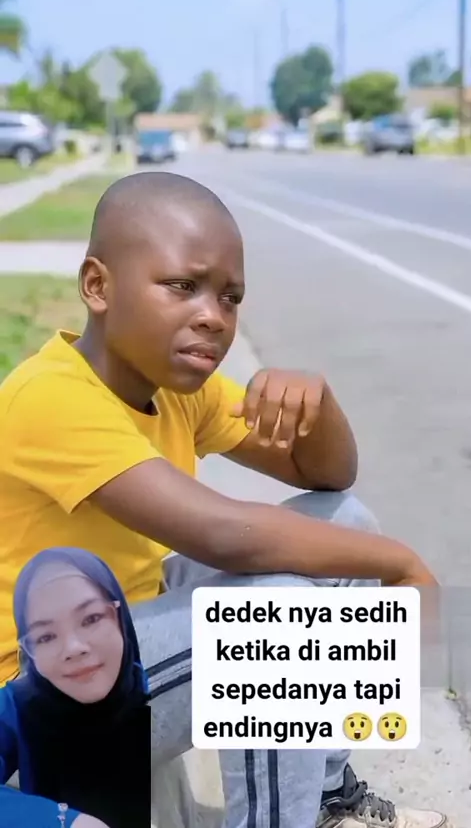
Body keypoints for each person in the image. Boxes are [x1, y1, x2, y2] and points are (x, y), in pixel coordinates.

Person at [0, 171, 446, 828]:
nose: (213, 316)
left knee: (345, 525)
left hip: (123, 638)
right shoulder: (49, 398)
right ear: (98, 286)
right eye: (183, 286)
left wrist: (317, 405)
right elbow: (227, 535)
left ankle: (327, 800)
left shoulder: (176, 388)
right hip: (37, 701)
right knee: (273, 619)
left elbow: (328, 475)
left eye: (230, 298)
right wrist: (401, 564)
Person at [0, 547, 151, 828]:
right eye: (46, 637)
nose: (73, 648)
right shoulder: (18, 707)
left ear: (120, 616)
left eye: (91, 619)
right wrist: (64, 822)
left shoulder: (160, 687)